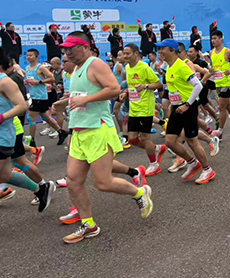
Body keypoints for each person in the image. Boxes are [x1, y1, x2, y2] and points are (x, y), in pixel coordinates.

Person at [60, 32, 153, 244]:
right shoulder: (76, 69)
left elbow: (113, 89)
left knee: (102, 182)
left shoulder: (95, 64)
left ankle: (139, 192)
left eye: (72, 48)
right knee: (73, 181)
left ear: (85, 47)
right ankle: (89, 225)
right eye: (65, 49)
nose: (68, 53)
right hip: (80, 131)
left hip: (98, 129)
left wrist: (86, 100)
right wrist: (65, 103)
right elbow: (80, 97)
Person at [0, 47, 55, 212]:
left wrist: (2, 117)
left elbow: (21, 105)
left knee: (12, 167)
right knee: (5, 175)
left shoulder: (5, 82)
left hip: (3, 136)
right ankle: (40, 189)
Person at [157, 39, 215, 184]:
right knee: (170, 141)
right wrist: (172, 106)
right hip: (177, 107)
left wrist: (187, 104)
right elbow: (173, 91)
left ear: (172, 50)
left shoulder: (181, 66)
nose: (160, 52)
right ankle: (192, 162)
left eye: (163, 49)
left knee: (192, 142)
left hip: (188, 107)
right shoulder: (169, 67)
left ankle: (207, 170)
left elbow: (198, 86)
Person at [123, 44, 167, 176]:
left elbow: (158, 84)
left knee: (144, 137)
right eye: (124, 54)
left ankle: (154, 164)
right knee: (132, 139)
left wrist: (145, 86)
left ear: (136, 54)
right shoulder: (127, 68)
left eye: (128, 53)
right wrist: (126, 92)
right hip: (134, 108)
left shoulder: (144, 67)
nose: (125, 56)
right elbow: (132, 86)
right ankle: (155, 149)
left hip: (145, 108)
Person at [25, 49, 64, 146]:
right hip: (34, 96)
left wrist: (39, 82)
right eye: (27, 55)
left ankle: (32, 140)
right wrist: (26, 82)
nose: (28, 57)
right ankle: (61, 132)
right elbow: (28, 80)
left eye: (31, 55)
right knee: (45, 117)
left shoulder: (41, 68)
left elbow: (52, 78)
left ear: (37, 57)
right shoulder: (27, 68)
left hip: (40, 96)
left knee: (31, 117)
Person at [210, 30, 230, 135]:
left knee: (221, 108)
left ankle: (220, 131)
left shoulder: (228, 52)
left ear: (221, 39)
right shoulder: (211, 52)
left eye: (215, 38)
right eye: (212, 39)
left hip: (227, 84)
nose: (213, 41)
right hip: (217, 83)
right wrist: (211, 69)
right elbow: (211, 66)